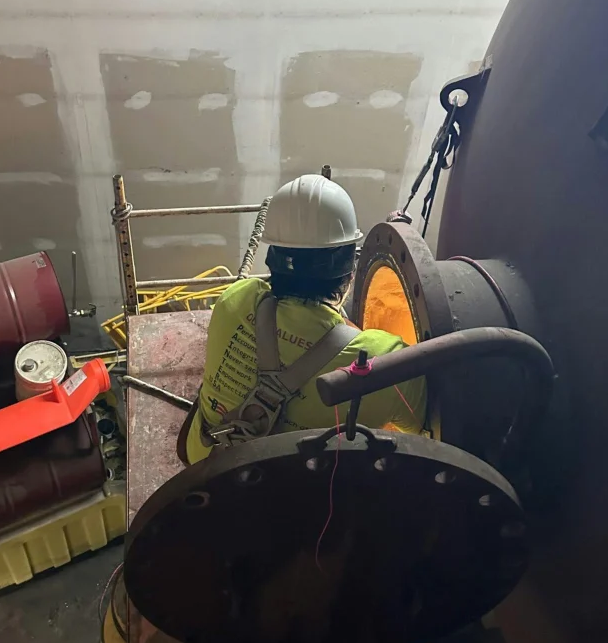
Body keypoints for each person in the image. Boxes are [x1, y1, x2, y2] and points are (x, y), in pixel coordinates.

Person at [182, 174, 426, 465]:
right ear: (350, 272)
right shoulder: (383, 364)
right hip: (296, 500)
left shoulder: (234, 299)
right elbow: (422, 425)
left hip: (206, 471)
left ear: (272, 257)